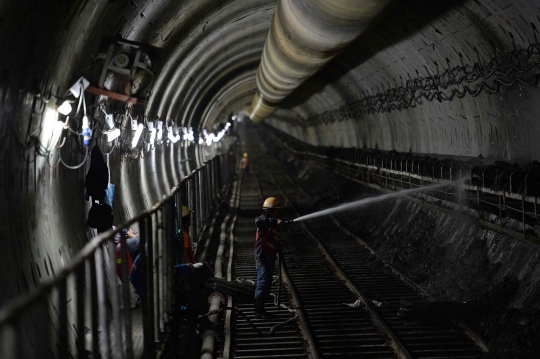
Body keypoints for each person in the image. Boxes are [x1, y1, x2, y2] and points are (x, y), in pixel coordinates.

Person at [253, 197, 283, 319]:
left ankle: (261, 310)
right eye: (276, 210)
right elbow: (258, 221)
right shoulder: (263, 221)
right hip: (263, 256)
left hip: (269, 256)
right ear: (270, 211)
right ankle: (258, 311)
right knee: (262, 282)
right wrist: (274, 222)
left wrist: (278, 247)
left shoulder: (270, 222)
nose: (278, 213)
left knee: (267, 283)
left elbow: (272, 238)